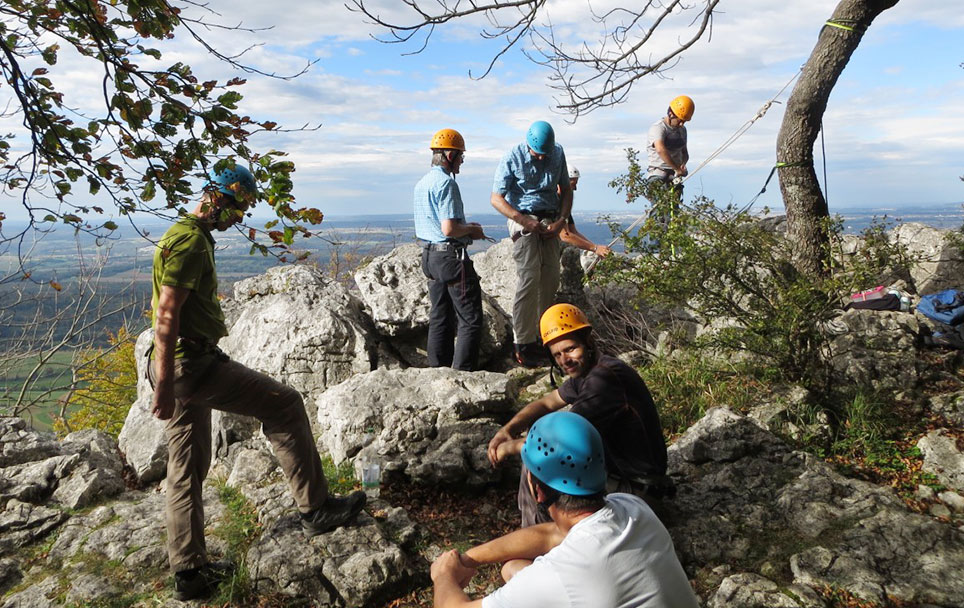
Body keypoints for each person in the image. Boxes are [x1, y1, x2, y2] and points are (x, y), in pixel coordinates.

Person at [149, 163, 366, 601]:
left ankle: (189, 573)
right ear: (216, 197)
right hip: (191, 365)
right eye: (236, 206)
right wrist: (163, 386)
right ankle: (316, 508)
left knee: (185, 467)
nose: (237, 217)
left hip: (183, 364)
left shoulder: (183, 235)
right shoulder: (190, 241)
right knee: (284, 404)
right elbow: (167, 314)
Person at [431, 411, 700, 608]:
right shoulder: (632, 508)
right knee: (512, 568)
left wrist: (444, 575)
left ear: (537, 489)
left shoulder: (562, 572)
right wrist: (468, 559)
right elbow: (549, 535)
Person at [487, 303, 671, 527]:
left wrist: (508, 448)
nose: (565, 360)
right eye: (557, 355)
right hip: (624, 481)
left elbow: (558, 445)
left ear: (588, 341)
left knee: (536, 462)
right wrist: (508, 429)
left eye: (571, 348)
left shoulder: (604, 380)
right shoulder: (590, 372)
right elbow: (546, 402)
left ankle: (539, 541)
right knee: (536, 446)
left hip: (637, 494)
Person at [491, 121, 573, 368]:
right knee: (529, 277)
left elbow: (566, 190)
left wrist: (561, 221)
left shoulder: (557, 152)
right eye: (537, 153)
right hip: (522, 218)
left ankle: (543, 336)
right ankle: (523, 343)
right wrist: (523, 221)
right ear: (528, 145)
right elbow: (496, 198)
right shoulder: (513, 157)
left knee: (550, 278)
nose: (540, 157)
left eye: (543, 154)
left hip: (550, 218)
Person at [414, 128, 487, 371]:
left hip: (429, 258)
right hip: (450, 259)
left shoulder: (422, 184)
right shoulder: (446, 184)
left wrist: (464, 228)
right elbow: (449, 229)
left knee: (440, 317)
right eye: (461, 156)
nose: (462, 161)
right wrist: (471, 231)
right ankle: (463, 374)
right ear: (449, 155)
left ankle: (438, 370)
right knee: (470, 319)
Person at [646, 95, 694, 214]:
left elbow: (684, 152)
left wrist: (682, 164)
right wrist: (677, 168)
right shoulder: (658, 128)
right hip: (658, 175)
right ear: (671, 114)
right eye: (680, 120)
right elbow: (660, 149)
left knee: (674, 216)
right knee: (660, 215)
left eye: (684, 121)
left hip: (675, 177)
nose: (682, 124)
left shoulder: (682, 130)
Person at [558, 166, 611, 258]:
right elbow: (565, 236)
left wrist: (597, 249)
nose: (575, 188)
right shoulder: (555, 203)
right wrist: (595, 248)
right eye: (573, 184)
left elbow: (573, 232)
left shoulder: (563, 204)